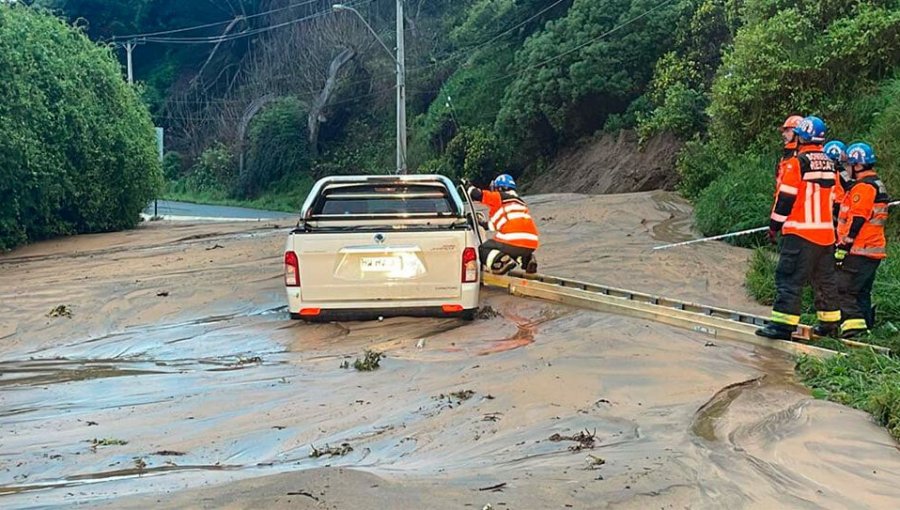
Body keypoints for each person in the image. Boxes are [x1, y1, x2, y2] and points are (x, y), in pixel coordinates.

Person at [756, 116, 842, 340]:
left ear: (801, 135)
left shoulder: (798, 162)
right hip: (826, 235)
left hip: (801, 232)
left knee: (789, 278)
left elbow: (785, 199)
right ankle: (830, 325)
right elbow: (837, 200)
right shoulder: (831, 163)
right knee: (824, 281)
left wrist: (774, 226)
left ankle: (782, 326)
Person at [834, 142, 890, 337]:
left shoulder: (863, 187)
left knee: (843, 289)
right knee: (861, 291)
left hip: (860, 248)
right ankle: (866, 327)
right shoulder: (875, 183)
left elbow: (858, 218)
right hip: (872, 249)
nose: (846, 168)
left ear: (858, 165)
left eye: (848, 164)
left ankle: (854, 328)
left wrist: (845, 243)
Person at [466, 174, 539, 274]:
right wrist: (482, 223)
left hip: (514, 239)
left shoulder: (499, 197)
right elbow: (494, 225)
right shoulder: (520, 202)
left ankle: (502, 262)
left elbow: (477, 195)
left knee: (483, 249)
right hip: (531, 242)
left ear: (499, 188)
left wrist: (468, 186)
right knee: (511, 247)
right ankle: (527, 260)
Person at [823, 140, 851, 225]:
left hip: (825, 208)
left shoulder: (821, 171)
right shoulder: (841, 172)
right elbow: (850, 186)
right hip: (837, 208)